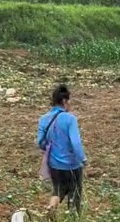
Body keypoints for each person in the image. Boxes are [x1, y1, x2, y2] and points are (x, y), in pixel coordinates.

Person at [36, 83, 85, 212]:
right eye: (69, 101)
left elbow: (40, 142)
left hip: (54, 164)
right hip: (72, 165)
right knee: (75, 193)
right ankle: (73, 219)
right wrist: (83, 159)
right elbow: (75, 143)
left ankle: (51, 208)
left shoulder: (43, 119)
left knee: (57, 190)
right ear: (64, 101)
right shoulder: (70, 119)